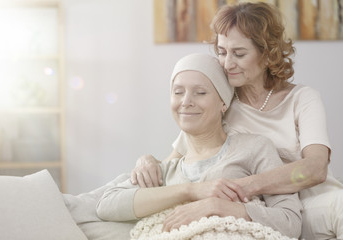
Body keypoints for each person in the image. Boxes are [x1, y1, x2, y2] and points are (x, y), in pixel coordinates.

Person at [130, 2, 343, 239]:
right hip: (262, 209)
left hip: (315, 204)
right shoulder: (222, 104)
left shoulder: (302, 99)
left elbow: (315, 168)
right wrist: (146, 160)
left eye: (239, 54)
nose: (227, 63)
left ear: (267, 53)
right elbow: (174, 162)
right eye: (222, 52)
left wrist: (240, 188)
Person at [96, 53, 302, 239]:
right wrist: (190, 191)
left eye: (200, 93)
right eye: (178, 92)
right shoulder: (164, 172)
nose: (186, 101)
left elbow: (290, 222)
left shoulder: (253, 149)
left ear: (223, 103)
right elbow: (106, 205)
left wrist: (217, 206)